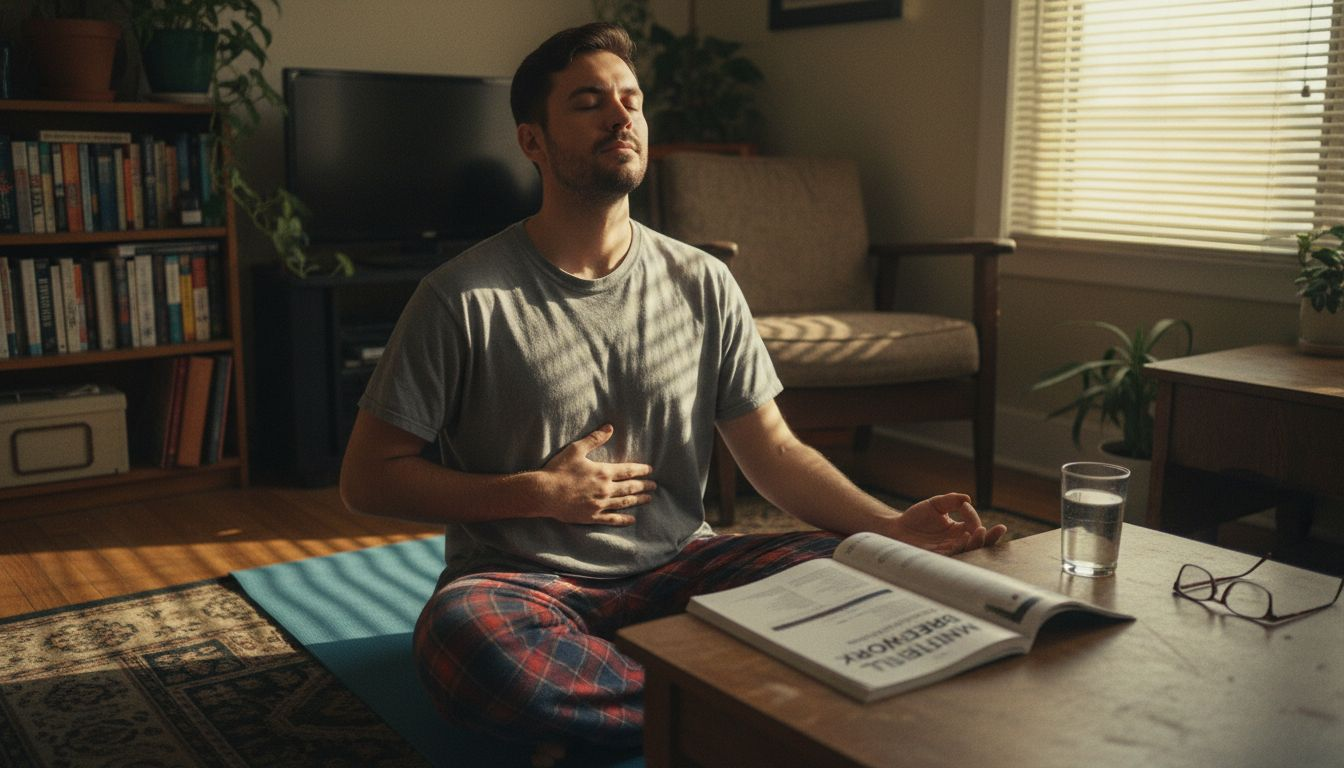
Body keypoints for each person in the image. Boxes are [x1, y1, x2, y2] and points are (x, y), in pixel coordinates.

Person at [339, 20, 1006, 760]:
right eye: (589, 102)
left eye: (630, 99)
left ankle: (643, 698)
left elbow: (774, 450)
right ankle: (729, 694)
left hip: (683, 567)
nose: (620, 117)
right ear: (532, 141)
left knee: (853, 576)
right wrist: (534, 493)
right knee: (467, 647)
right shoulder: (461, 297)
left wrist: (890, 526)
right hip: (521, 585)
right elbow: (368, 479)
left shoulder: (701, 281)